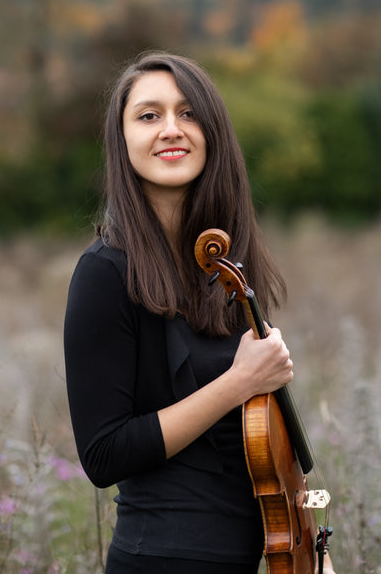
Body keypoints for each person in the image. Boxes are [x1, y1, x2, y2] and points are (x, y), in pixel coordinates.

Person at [64, 51, 335, 574]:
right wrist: (237, 384)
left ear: (213, 133)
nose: (171, 129)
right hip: (163, 560)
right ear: (123, 142)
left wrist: (314, 546)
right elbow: (103, 454)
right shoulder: (103, 274)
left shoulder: (222, 267)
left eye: (189, 113)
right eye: (148, 115)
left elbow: (266, 453)